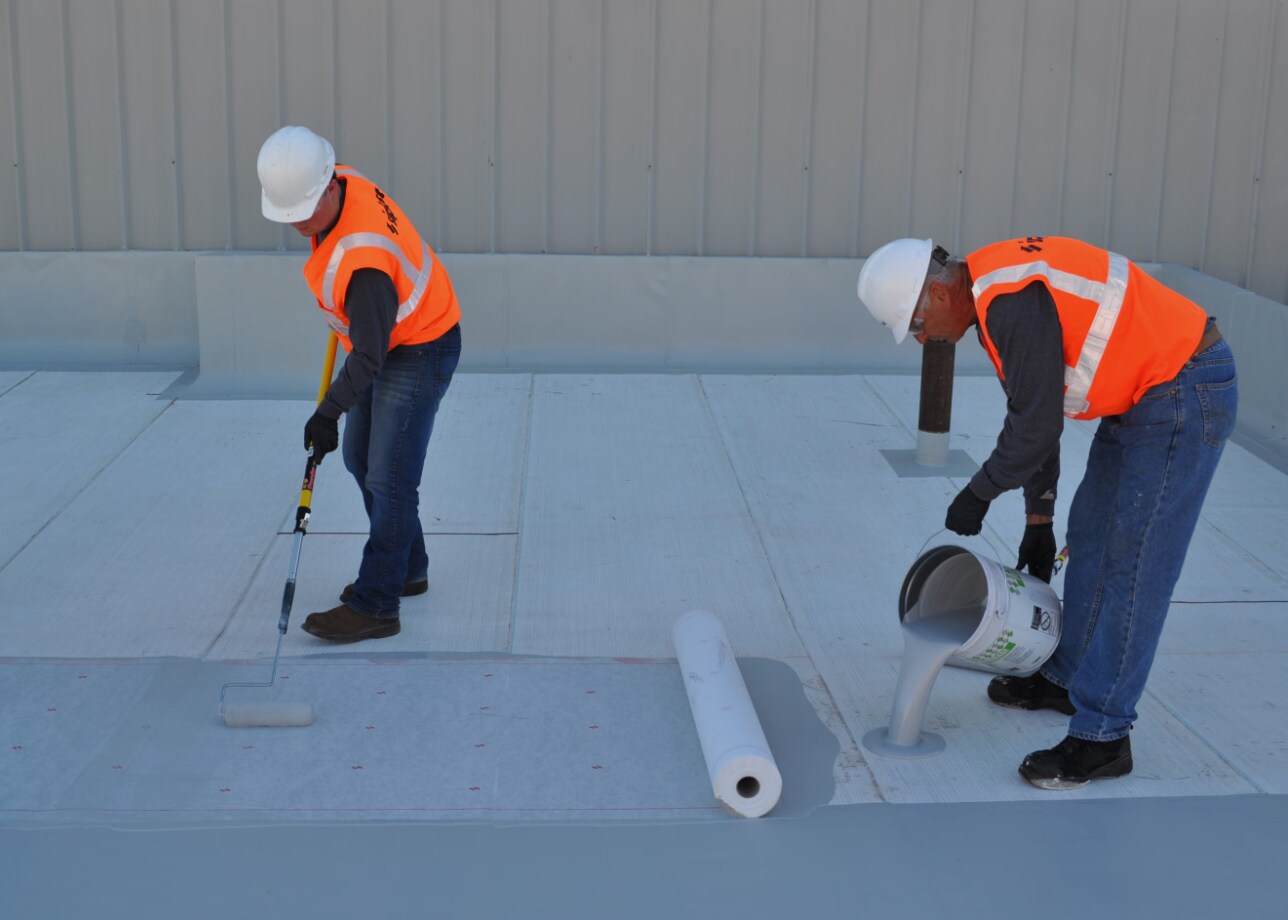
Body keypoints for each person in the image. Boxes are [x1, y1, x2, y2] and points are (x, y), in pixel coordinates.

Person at [857, 236, 1237, 789]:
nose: (920, 338)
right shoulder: (995, 298)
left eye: (915, 324)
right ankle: (1067, 677)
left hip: (1183, 388)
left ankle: (1104, 737)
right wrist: (1040, 520)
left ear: (937, 294)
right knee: (1090, 539)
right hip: (1146, 394)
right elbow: (1035, 411)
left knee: (1134, 568)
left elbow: (1035, 429)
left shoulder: (1009, 300)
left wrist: (979, 493)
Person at [257, 125, 462, 642]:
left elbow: (370, 354)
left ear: (329, 187)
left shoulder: (363, 262)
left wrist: (328, 411)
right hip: (386, 337)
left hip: (419, 346)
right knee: (359, 459)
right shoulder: (340, 182)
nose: (298, 223)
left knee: (389, 478)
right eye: (289, 214)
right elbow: (367, 341)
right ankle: (407, 567)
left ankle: (377, 604)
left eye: (303, 211)